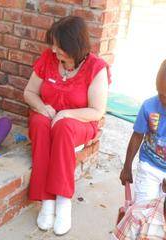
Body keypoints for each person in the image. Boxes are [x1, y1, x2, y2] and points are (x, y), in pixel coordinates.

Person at [24, 16, 111, 235]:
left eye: (59, 45)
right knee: (40, 123)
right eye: (53, 44)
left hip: (79, 122)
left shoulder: (96, 67)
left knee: (63, 128)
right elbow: (29, 92)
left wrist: (66, 114)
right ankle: (46, 200)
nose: (54, 50)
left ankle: (63, 201)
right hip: (49, 115)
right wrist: (42, 107)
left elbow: (97, 111)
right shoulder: (48, 58)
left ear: (75, 45)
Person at [120, 60, 166, 203]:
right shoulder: (148, 106)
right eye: (160, 93)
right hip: (149, 166)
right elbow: (137, 136)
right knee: (143, 212)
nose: (163, 99)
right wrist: (127, 166)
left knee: (160, 221)